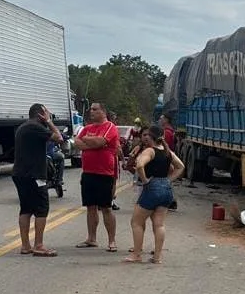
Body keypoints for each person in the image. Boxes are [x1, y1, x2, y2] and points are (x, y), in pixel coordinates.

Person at [124, 125, 184, 264]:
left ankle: (137, 254)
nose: (144, 138)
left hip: (152, 187)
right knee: (159, 224)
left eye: (146, 136)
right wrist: (169, 180)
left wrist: (145, 180)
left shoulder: (150, 151)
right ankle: (157, 257)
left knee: (136, 222)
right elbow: (181, 166)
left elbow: (139, 165)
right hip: (166, 188)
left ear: (151, 137)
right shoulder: (168, 151)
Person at [12, 103, 63, 256]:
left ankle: (25, 245)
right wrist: (49, 121)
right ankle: (39, 245)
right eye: (46, 113)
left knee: (26, 209)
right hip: (34, 175)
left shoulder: (24, 127)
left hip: (20, 174)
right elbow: (58, 138)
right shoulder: (35, 126)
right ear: (40, 114)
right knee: (42, 209)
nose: (48, 115)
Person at [73, 102, 120, 251]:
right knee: (90, 207)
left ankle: (111, 241)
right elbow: (77, 143)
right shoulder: (87, 128)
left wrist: (91, 141)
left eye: (95, 109)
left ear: (103, 111)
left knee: (106, 207)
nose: (91, 112)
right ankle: (91, 238)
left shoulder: (110, 127)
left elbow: (101, 141)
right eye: (90, 109)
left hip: (104, 173)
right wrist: (94, 144)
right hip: (88, 173)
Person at [159, 114, 178, 211]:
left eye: (161, 118)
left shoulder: (167, 132)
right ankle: (170, 201)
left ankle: (170, 201)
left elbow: (165, 147)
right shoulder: (169, 131)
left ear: (166, 119)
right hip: (169, 158)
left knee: (165, 181)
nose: (160, 120)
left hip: (166, 159)